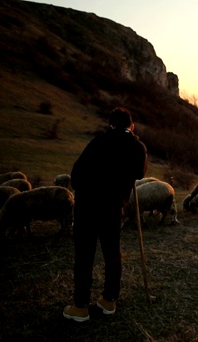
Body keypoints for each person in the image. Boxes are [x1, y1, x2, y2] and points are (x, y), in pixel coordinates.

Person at [63, 107, 148, 322]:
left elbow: (76, 174)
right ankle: (109, 300)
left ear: (110, 125)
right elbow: (139, 173)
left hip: (87, 207)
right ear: (132, 125)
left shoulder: (98, 142)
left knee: (84, 255)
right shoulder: (138, 147)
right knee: (112, 253)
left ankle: (81, 306)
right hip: (113, 208)